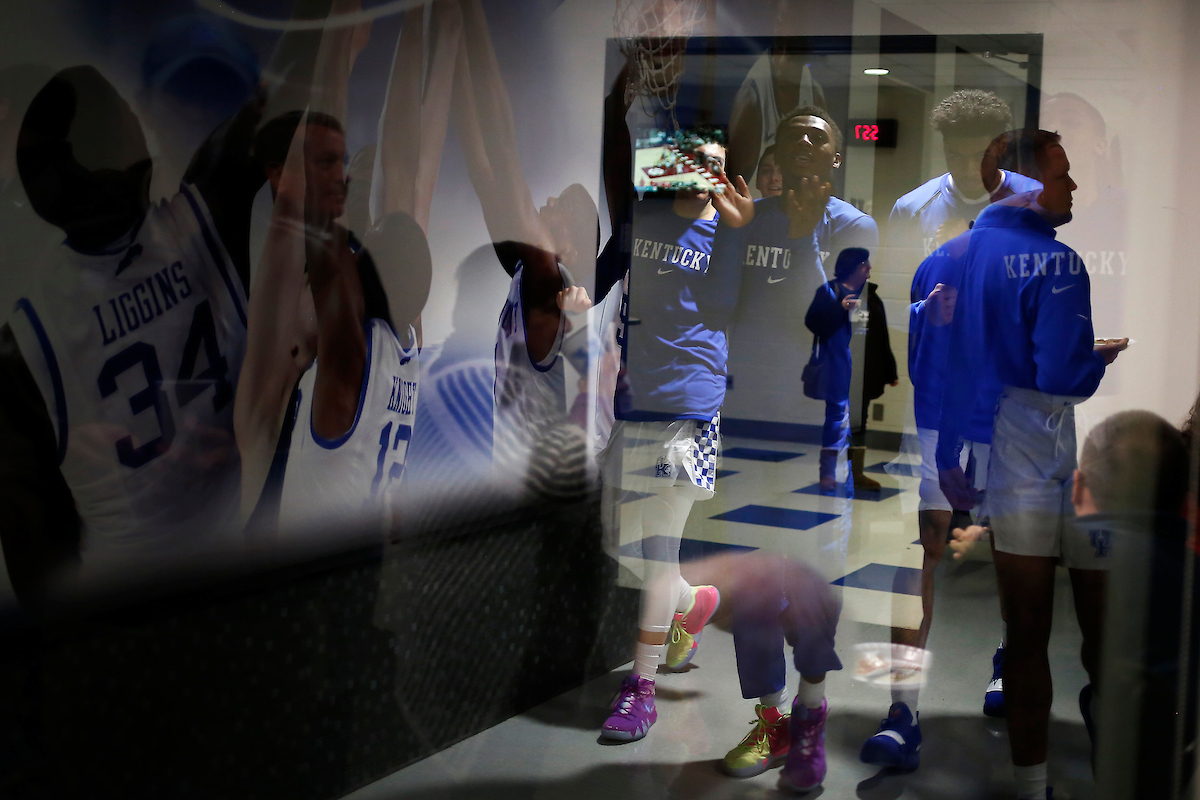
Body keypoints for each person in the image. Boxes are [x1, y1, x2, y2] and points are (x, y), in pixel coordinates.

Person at [933, 130, 1127, 800]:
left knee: (1024, 632)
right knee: (1095, 629)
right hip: (1042, 451)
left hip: (987, 455)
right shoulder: (1059, 263)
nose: (1073, 187)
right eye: (1065, 175)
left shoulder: (948, 257)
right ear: (1028, 185)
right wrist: (1094, 358)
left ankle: (1029, 784)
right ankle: (1112, 765)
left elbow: (938, 366)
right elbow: (1063, 378)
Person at [709, 105, 876, 794]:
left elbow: (829, 316)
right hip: (746, 427)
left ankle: (811, 715)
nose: (803, 143)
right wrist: (730, 232)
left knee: (809, 586)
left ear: (836, 158)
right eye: (793, 133)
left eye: (819, 137)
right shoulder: (755, 215)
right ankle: (770, 718)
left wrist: (805, 233)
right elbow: (718, 306)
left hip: (813, 438)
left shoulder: (853, 228)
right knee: (751, 591)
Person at [452, 0, 596, 503]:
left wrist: (471, 21)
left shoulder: (547, 280)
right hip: (527, 486)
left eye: (563, 205)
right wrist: (454, 44)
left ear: (571, 244)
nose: (550, 199)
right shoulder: (525, 274)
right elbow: (481, 165)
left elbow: (504, 151)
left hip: (542, 497)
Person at [805, 248, 872, 494]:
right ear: (853, 266)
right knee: (835, 418)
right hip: (835, 362)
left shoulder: (868, 293)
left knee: (857, 420)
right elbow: (813, 322)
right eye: (865, 263)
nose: (869, 268)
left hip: (861, 365)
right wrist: (839, 308)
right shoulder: (829, 290)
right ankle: (828, 473)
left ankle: (855, 472)